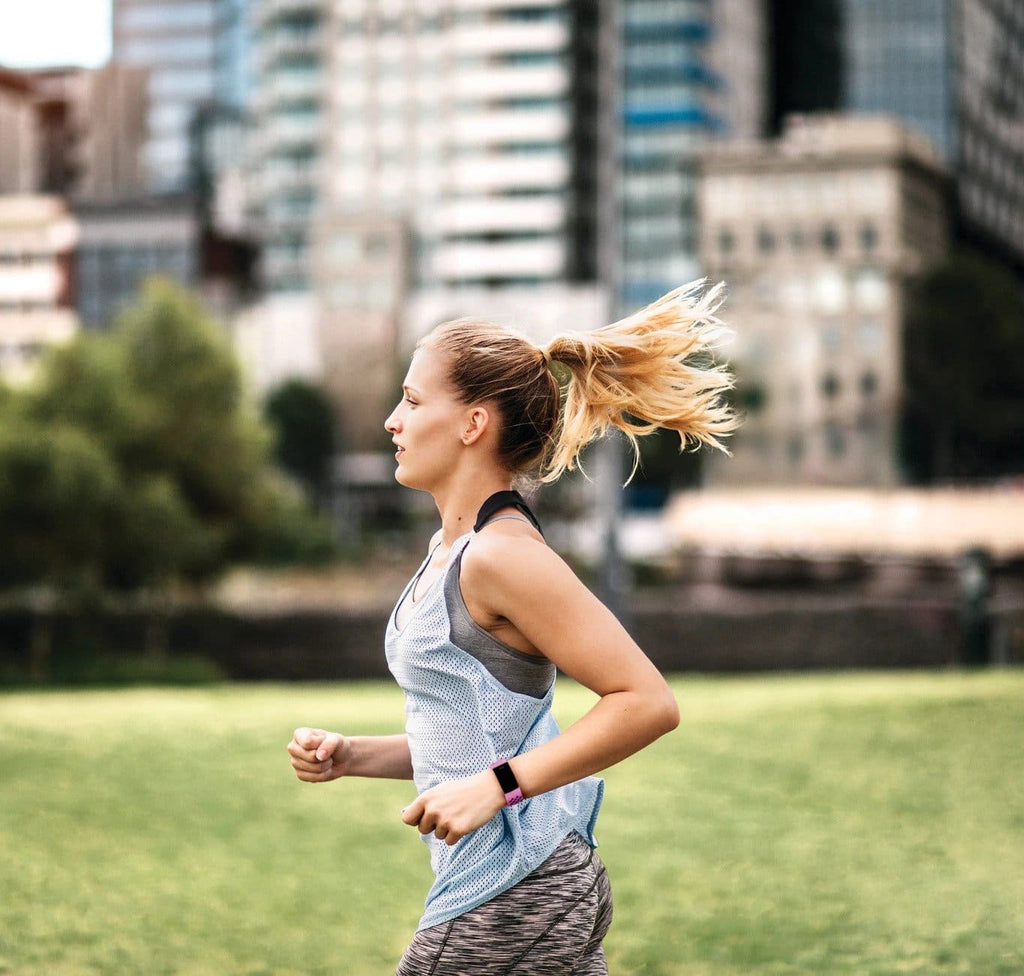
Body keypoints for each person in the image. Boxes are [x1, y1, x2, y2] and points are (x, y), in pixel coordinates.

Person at [287, 280, 738, 975]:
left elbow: (647, 702)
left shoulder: (503, 556)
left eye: (411, 401)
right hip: (525, 886)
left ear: (473, 424)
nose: (391, 422)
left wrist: (498, 787)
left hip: (512, 889)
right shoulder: (454, 550)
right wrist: (354, 756)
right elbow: (473, 737)